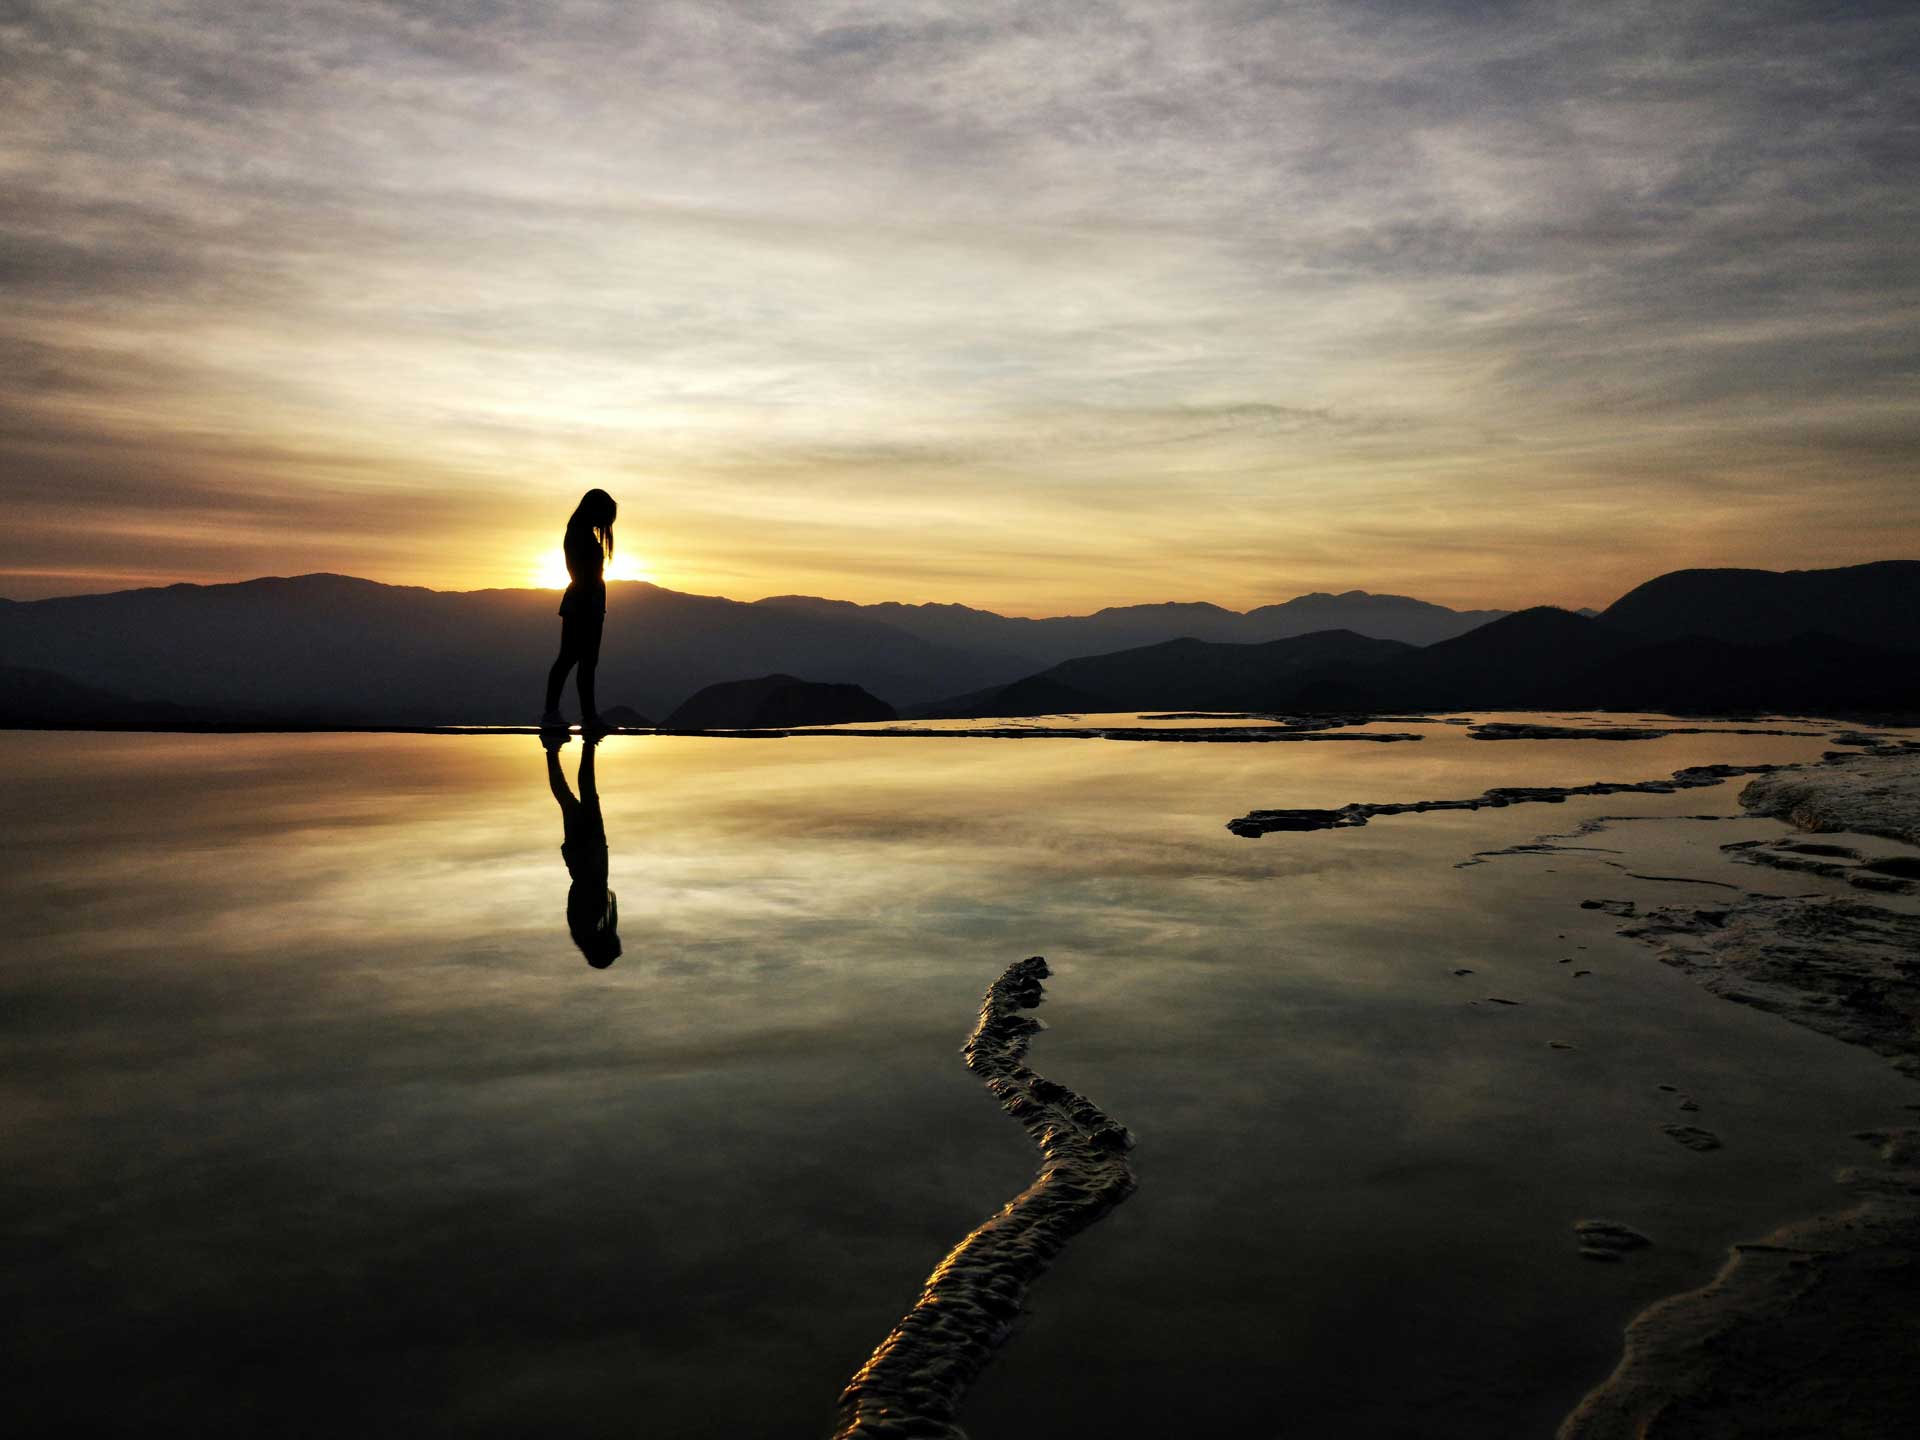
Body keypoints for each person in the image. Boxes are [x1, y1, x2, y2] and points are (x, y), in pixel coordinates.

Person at [544, 731, 622, 968]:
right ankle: (582, 744)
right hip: (590, 848)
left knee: (573, 796)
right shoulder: (584, 925)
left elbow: (585, 882)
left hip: (586, 851)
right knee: (580, 793)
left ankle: (556, 748)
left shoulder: (583, 923)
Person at [542, 488, 617, 730]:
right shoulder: (579, 534)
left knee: (582, 660)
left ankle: (583, 715)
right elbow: (581, 572)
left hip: (587, 602)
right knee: (573, 658)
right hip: (584, 602)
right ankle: (563, 714)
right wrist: (589, 600)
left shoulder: (580, 532)